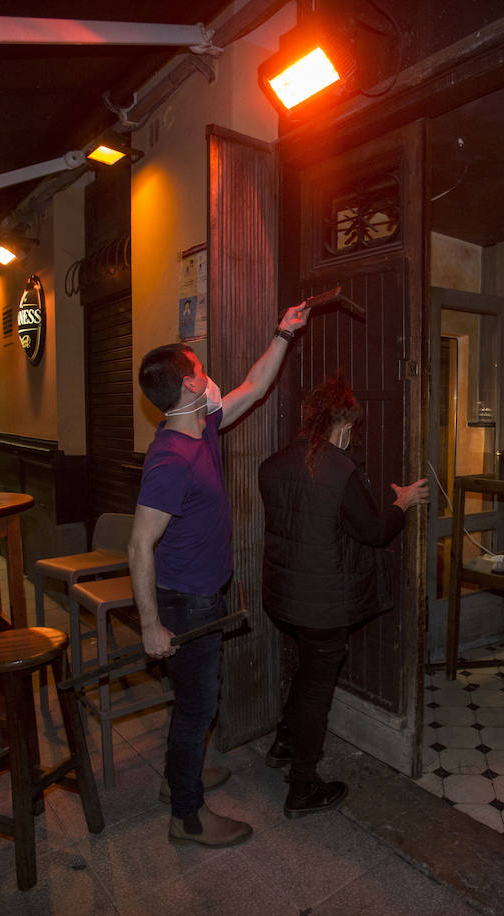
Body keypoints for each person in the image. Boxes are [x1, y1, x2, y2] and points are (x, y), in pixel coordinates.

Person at [128, 300, 312, 848]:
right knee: (197, 708)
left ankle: (176, 778)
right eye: (200, 369)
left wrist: (284, 330)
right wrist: (149, 625)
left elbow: (253, 388)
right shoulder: (169, 460)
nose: (210, 376)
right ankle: (186, 815)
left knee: (192, 702)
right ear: (187, 387)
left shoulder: (199, 427)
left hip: (204, 593)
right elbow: (139, 546)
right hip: (184, 601)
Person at [256, 376, 429, 817]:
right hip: (323, 606)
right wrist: (402, 504)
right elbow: (372, 531)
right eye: (351, 427)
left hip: (284, 599)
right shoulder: (339, 469)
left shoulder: (273, 464)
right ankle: (302, 786)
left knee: (307, 671)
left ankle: (283, 742)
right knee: (317, 690)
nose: (352, 435)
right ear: (342, 423)